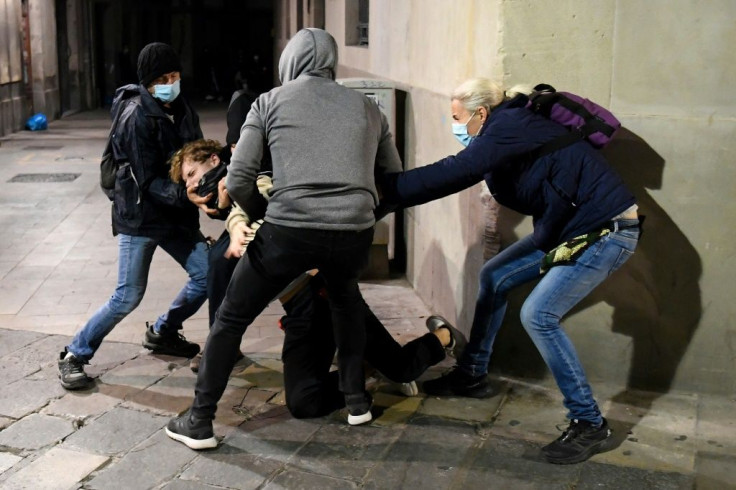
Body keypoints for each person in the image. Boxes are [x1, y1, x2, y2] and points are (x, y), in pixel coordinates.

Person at [379, 78, 641, 465]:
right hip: (569, 229)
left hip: (608, 230)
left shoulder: (508, 126)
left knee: (539, 314)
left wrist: (385, 190)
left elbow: (456, 171)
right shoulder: (506, 129)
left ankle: (589, 423)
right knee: (494, 276)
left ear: (481, 113)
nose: (455, 127)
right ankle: (472, 375)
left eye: (457, 119)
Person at [165, 27, 403, 449]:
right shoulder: (368, 107)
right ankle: (356, 402)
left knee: (231, 318)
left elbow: (238, 177)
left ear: (288, 64)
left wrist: (260, 218)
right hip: (352, 234)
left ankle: (199, 420)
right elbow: (393, 176)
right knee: (345, 304)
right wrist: (363, 214)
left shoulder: (269, 102)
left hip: (289, 229)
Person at [168, 138, 465, 419]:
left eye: (193, 173)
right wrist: (226, 214)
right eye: (188, 182)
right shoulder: (228, 200)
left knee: (402, 368)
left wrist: (234, 219)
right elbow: (236, 214)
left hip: (327, 289)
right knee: (304, 403)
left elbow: (261, 195)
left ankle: (442, 337)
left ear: (216, 158)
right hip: (300, 309)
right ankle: (362, 372)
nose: (193, 183)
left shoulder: (253, 175)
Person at [57, 42, 208, 390]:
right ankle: (74, 354)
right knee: (127, 295)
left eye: (176, 75)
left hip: (175, 215)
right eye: (164, 78)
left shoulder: (182, 109)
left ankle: (163, 332)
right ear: (149, 82)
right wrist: (186, 194)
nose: (172, 82)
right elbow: (148, 178)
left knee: (207, 275)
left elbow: (195, 153)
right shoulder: (135, 115)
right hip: (141, 216)